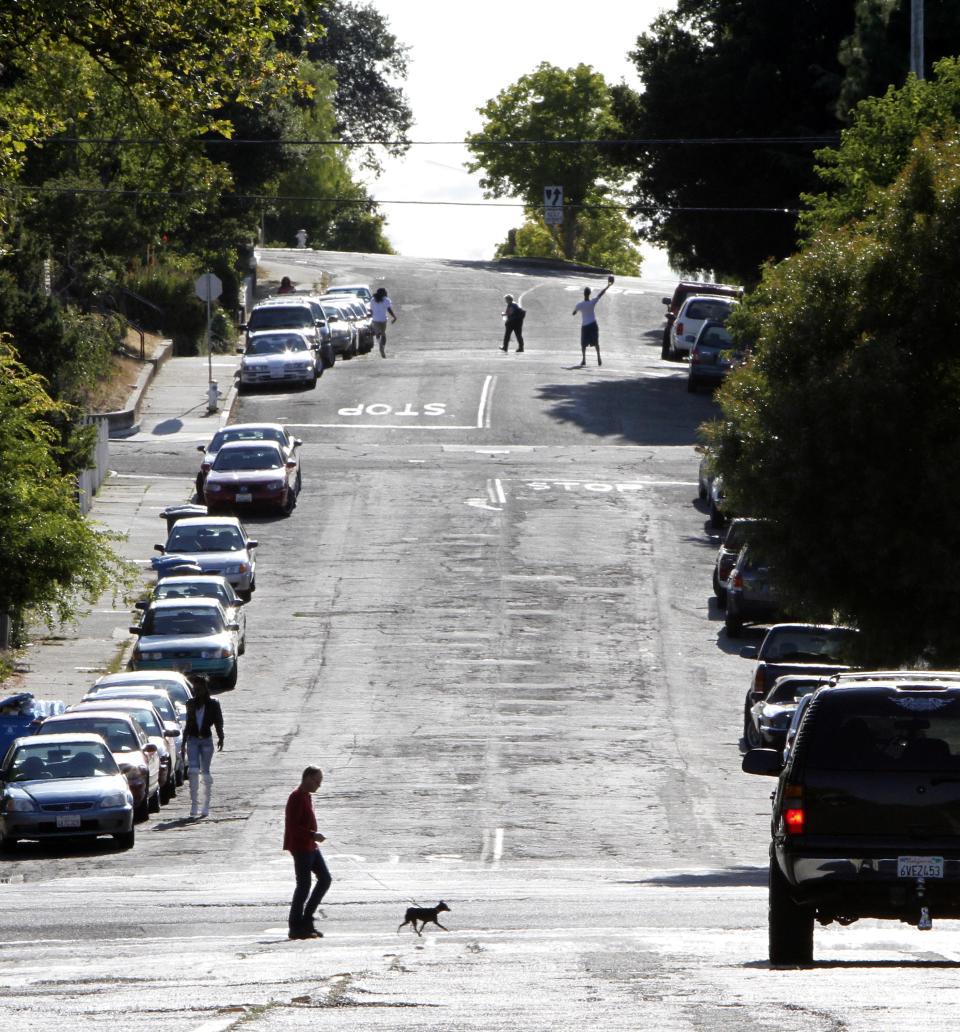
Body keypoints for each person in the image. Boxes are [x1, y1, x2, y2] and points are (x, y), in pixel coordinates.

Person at [284, 765, 332, 940]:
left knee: (325, 879)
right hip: (301, 847)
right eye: (317, 781)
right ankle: (295, 926)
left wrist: (313, 837)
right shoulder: (296, 797)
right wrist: (313, 834)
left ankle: (307, 920)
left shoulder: (307, 797)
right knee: (303, 886)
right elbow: (293, 827)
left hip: (311, 846)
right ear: (308, 778)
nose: (319, 785)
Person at [183, 678, 224, 818]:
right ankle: (194, 804)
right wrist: (183, 742)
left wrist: (221, 736)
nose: (197, 691)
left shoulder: (213, 704)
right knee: (193, 771)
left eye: (200, 688)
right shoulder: (190, 704)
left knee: (205, 773)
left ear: (205, 689)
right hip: (193, 740)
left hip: (206, 740)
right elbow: (188, 724)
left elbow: (218, 721)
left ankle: (206, 804)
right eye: (195, 688)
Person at [573, 275, 614, 367]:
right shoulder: (592, 302)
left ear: (584, 294)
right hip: (593, 324)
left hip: (585, 326)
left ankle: (584, 360)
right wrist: (608, 286)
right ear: (589, 293)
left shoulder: (579, 304)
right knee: (596, 342)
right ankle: (599, 357)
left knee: (583, 344)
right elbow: (601, 294)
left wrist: (576, 311)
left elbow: (574, 313)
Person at [370, 287, 397, 357]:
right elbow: (389, 309)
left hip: (375, 320)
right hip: (383, 320)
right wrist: (394, 317)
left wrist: (370, 317)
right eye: (385, 292)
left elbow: (371, 310)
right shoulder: (386, 300)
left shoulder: (373, 300)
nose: (386, 293)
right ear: (383, 293)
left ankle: (380, 344)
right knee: (383, 334)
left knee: (378, 334)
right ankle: (382, 347)